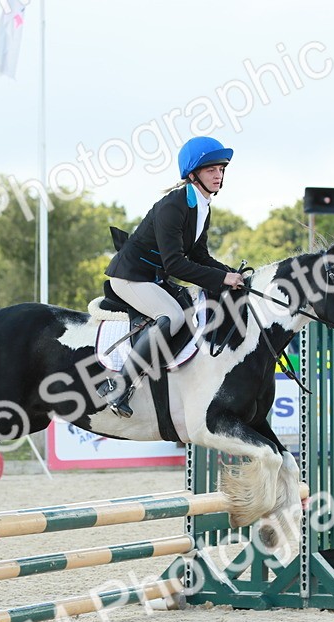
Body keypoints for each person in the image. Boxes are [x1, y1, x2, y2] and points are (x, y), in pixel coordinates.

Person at [99, 135, 246, 417]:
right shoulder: (173, 206)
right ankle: (119, 388)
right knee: (173, 317)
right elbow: (176, 264)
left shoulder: (202, 206)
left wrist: (230, 274)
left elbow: (199, 256)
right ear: (193, 175)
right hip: (131, 276)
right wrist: (221, 279)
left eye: (221, 169)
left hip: (153, 277)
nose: (218, 175)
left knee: (191, 310)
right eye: (211, 170)